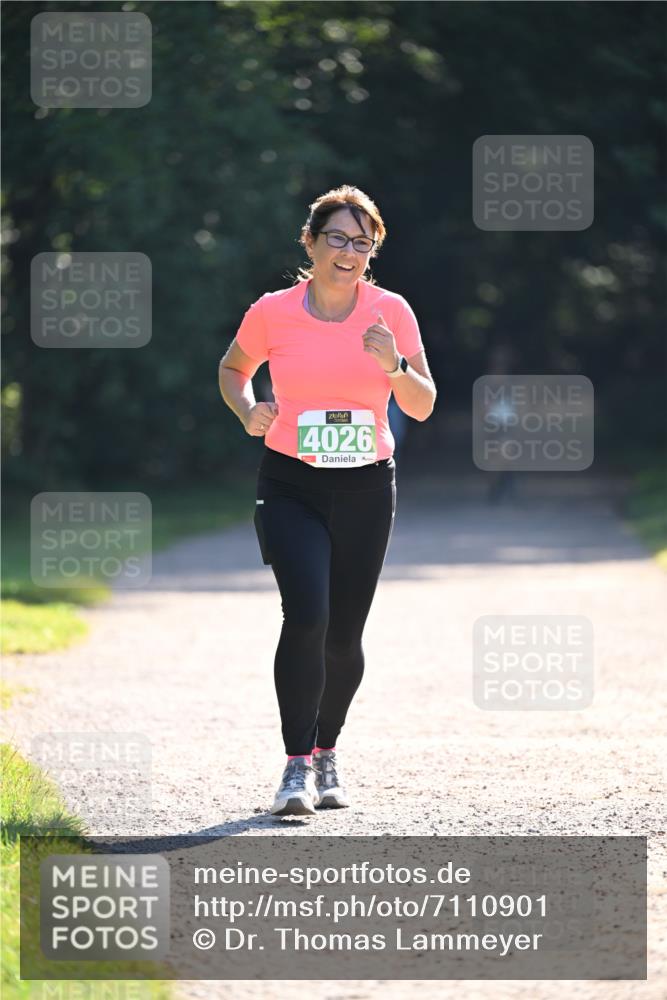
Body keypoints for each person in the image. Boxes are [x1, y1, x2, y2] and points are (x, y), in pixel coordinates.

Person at [218, 184, 436, 816]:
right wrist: (247, 409)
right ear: (310, 242)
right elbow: (233, 369)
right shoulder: (273, 311)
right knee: (306, 616)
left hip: (367, 486)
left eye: (362, 242)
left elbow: (422, 404)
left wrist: (395, 366)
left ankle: (326, 752)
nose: (349, 251)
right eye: (337, 237)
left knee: (343, 636)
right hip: (290, 482)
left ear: (372, 252)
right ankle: (294, 765)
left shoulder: (391, 311)